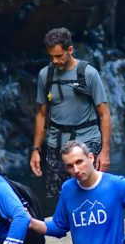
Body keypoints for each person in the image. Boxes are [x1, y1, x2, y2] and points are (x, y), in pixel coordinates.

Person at [30, 27, 112, 198]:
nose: (55, 61)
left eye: (59, 56)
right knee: (59, 197)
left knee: (90, 193)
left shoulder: (88, 73)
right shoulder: (45, 75)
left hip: (87, 142)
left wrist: (105, 152)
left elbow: (104, 113)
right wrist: (36, 150)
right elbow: (41, 114)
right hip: (56, 144)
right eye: (51, 56)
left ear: (70, 50)